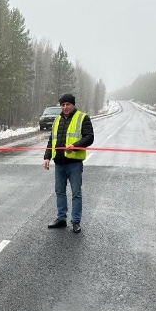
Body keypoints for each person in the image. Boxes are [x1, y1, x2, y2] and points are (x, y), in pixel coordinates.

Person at [43, 93, 94, 233]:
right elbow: (51, 140)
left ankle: (76, 221)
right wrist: (47, 157)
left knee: (76, 193)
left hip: (74, 163)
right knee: (60, 191)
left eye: (68, 104)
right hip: (59, 163)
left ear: (73, 105)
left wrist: (75, 146)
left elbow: (89, 137)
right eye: (63, 105)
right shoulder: (57, 120)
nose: (65, 107)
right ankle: (61, 218)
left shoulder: (83, 118)